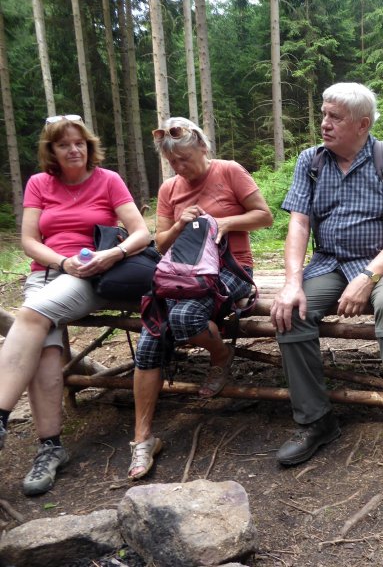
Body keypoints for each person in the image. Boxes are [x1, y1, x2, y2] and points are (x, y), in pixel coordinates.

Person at [270, 82, 383, 468]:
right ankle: (316, 421)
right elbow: (298, 225)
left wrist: (368, 276)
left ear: (362, 124)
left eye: (334, 117)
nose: (324, 124)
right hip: (329, 261)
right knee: (291, 311)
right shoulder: (310, 162)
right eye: (324, 114)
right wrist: (292, 282)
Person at [0, 115, 150, 496]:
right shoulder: (39, 183)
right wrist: (59, 261)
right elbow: (29, 241)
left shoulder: (108, 180)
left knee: (32, 314)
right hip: (47, 274)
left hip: (90, 275)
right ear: (51, 150)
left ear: (89, 145)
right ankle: (51, 448)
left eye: (79, 142)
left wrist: (111, 254)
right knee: (46, 349)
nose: (74, 149)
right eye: (64, 144)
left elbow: (141, 232)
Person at [127, 117, 272, 480]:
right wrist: (179, 225)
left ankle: (222, 356)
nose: (180, 168)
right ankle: (143, 439)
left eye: (185, 159)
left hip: (232, 269)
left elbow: (265, 217)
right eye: (173, 163)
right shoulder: (169, 189)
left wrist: (225, 223)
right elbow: (159, 243)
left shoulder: (230, 171)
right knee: (150, 335)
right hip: (181, 275)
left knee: (185, 320)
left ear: (203, 148)